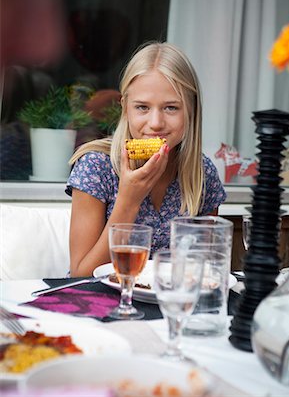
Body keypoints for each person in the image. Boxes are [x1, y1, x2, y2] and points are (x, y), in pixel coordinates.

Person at [66, 41, 226, 277]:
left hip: (171, 305)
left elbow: (203, 272)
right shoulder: (96, 167)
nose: (155, 123)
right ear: (125, 108)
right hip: (102, 304)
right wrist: (129, 201)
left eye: (171, 108)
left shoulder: (202, 174)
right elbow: (82, 274)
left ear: (191, 110)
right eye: (142, 107)